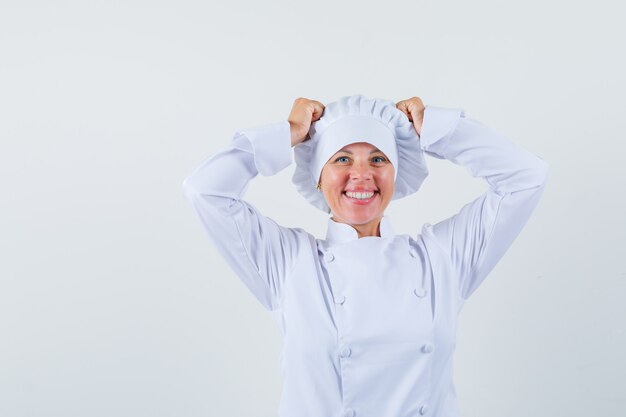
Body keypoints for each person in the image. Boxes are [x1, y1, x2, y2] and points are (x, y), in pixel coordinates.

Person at [182, 94, 549, 417]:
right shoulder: (289, 263)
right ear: (318, 177)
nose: (361, 175)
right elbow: (204, 190)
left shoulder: (442, 259)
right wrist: (287, 132)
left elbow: (526, 177)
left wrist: (439, 129)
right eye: (342, 159)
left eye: (378, 159)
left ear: (396, 173)